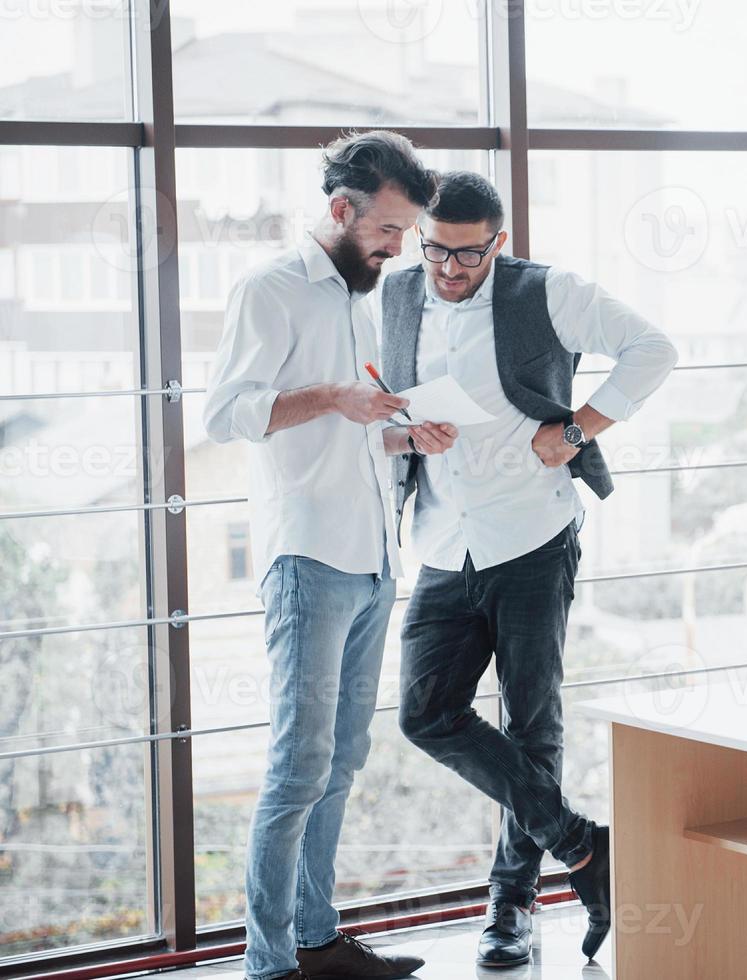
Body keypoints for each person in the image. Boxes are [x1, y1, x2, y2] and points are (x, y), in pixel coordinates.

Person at [375, 171, 678, 966]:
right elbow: (379, 404)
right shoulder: (395, 295)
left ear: (498, 243)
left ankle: (509, 910)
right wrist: (409, 436)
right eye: (435, 249)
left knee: (531, 728)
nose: (448, 269)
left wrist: (576, 430)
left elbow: (653, 349)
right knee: (425, 712)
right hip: (442, 542)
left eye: (467, 255)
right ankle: (588, 850)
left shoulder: (548, 291)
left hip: (531, 538)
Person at [204, 131, 455, 980]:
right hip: (307, 560)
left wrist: (401, 431)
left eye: (406, 234)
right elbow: (229, 413)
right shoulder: (269, 289)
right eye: (387, 231)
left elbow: (352, 433)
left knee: (342, 761)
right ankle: (268, 965)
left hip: (373, 558)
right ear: (341, 210)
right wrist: (337, 397)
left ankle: (318, 941)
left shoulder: (361, 295)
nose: (397, 249)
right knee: (297, 765)